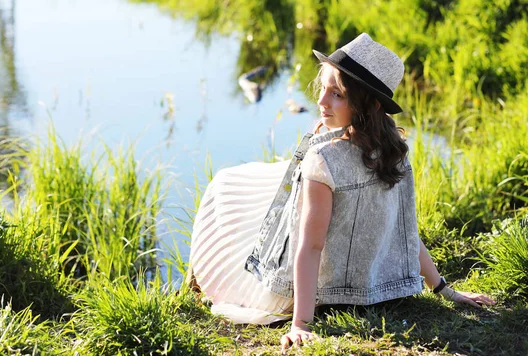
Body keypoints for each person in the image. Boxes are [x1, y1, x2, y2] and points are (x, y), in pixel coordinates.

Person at [187, 33, 495, 349]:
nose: (321, 102)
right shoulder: (394, 152)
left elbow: (310, 246)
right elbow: (405, 232)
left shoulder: (324, 161)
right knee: (236, 185)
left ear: (368, 104)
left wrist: (300, 323)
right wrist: (443, 289)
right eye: (323, 89)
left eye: (336, 94)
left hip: (312, 281)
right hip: (360, 279)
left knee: (223, 191)